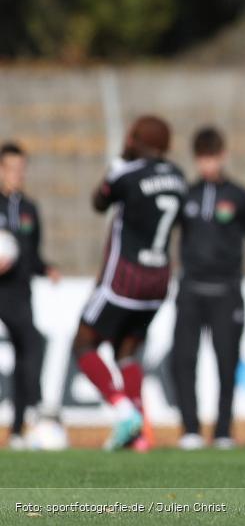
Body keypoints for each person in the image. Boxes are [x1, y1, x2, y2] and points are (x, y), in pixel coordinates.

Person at [73, 116, 186, 451]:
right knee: (128, 352)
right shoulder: (178, 177)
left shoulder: (127, 173)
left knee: (82, 345)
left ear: (136, 141)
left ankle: (124, 411)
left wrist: (116, 166)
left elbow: (98, 203)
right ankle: (139, 438)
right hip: (158, 282)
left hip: (123, 280)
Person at [172, 126, 245, 450]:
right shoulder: (186, 195)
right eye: (201, 159)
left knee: (226, 363)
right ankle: (190, 430)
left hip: (226, 292)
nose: (207, 165)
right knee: (183, 361)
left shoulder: (239, 197)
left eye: (212, 158)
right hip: (190, 290)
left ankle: (224, 431)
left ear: (222, 156)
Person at [0, 142, 60, 448]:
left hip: (17, 292)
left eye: (21, 170)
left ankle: (20, 427)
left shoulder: (29, 209)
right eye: (10, 169)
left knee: (29, 347)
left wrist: (46, 268)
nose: (16, 175)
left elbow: (33, 254)